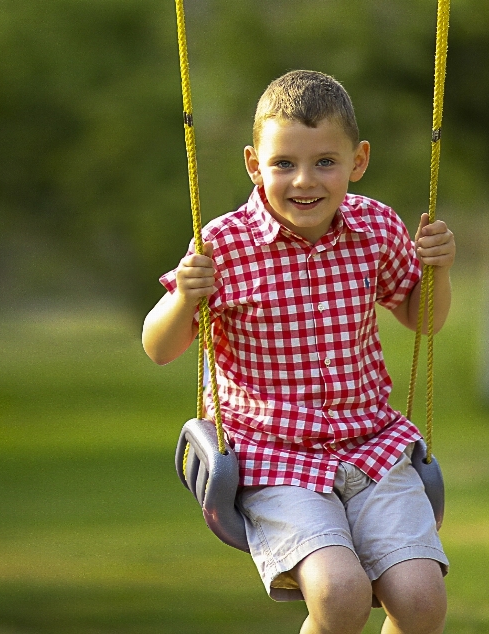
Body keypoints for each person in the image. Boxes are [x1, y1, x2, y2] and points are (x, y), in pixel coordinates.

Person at [142, 70, 456, 634]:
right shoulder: (224, 244)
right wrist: (184, 298)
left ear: (358, 161)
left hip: (372, 447)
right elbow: (159, 348)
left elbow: (422, 319)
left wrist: (438, 271)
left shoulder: (376, 228)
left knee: (422, 601)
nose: (303, 181)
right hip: (274, 457)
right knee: (340, 596)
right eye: (283, 163)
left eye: (325, 162)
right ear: (253, 163)